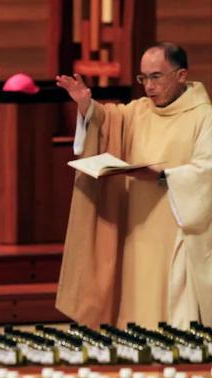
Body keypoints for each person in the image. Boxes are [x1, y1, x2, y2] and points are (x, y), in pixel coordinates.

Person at [55, 42, 212, 329]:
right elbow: (108, 121)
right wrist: (86, 105)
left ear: (181, 75)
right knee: (137, 300)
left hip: (177, 228)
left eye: (156, 77)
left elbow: (207, 171)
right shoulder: (139, 110)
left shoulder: (204, 116)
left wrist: (165, 176)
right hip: (138, 225)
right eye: (143, 78)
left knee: (172, 307)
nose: (148, 87)